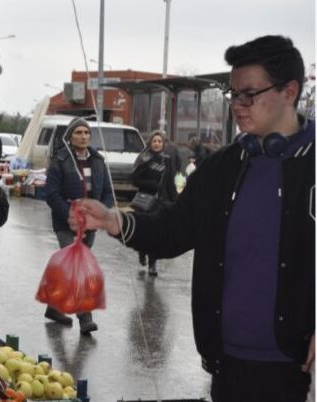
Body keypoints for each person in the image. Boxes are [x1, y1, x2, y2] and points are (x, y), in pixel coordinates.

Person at [69, 36, 314, 402]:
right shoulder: (221, 169)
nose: (237, 106)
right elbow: (172, 230)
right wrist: (114, 221)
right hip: (226, 365)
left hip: (298, 371)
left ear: (289, 91)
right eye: (233, 95)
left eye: (249, 94)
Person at [44, 117, 114, 335]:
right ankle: (85, 317)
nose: (83, 137)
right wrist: (71, 217)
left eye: (86, 133)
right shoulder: (60, 160)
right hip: (66, 225)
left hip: (90, 224)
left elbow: (108, 193)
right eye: (78, 133)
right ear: (71, 136)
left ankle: (54, 308)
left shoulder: (99, 161)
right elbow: (51, 194)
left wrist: (102, 212)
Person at [132, 130, 178, 276]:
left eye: (160, 141)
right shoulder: (144, 159)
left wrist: (176, 201)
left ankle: (153, 264)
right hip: (145, 201)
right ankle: (141, 251)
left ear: (163, 144)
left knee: (156, 234)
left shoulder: (167, 160)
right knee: (145, 232)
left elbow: (170, 183)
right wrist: (150, 184)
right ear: (150, 143)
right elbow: (135, 180)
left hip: (160, 202)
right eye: (154, 141)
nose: (157, 144)